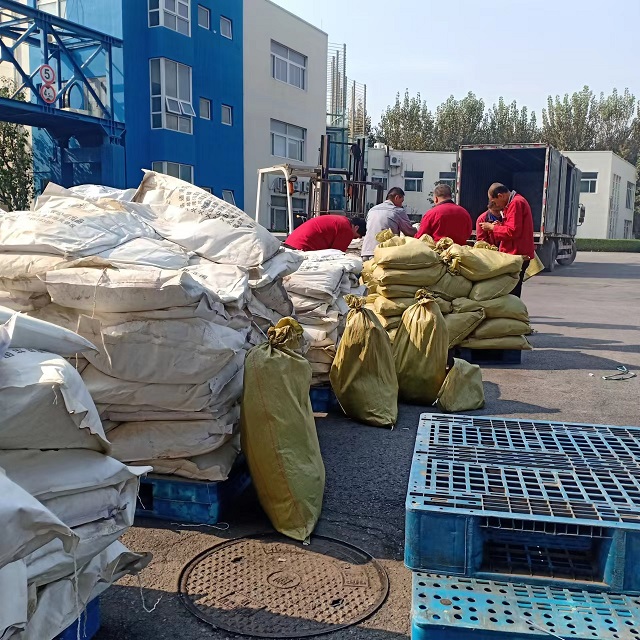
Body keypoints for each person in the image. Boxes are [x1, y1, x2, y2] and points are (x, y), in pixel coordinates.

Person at [480, 183, 535, 297]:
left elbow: (512, 231)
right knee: (512, 288)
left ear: (501, 196)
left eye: (494, 202)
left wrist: (493, 228)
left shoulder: (516, 203)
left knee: (512, 290)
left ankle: (513, 308)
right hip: (516, 253)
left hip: (517, 253)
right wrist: (499, 226)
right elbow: (513, 227)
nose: (496, 205)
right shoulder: (514, 202)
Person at [361, 187, 415, 260]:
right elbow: (409, 232)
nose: (401, 204)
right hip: (383, 253)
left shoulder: (372, 210)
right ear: (396, 197)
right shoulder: (397, 211)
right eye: (401, 201)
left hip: (366, 251)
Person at [284, 214, 366, 253]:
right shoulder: (346, 229)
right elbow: (336, 254)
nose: (354, 239)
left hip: (291, 243)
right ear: (356, 228)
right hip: (302, 247)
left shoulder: (341, 220)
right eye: (356, 237)